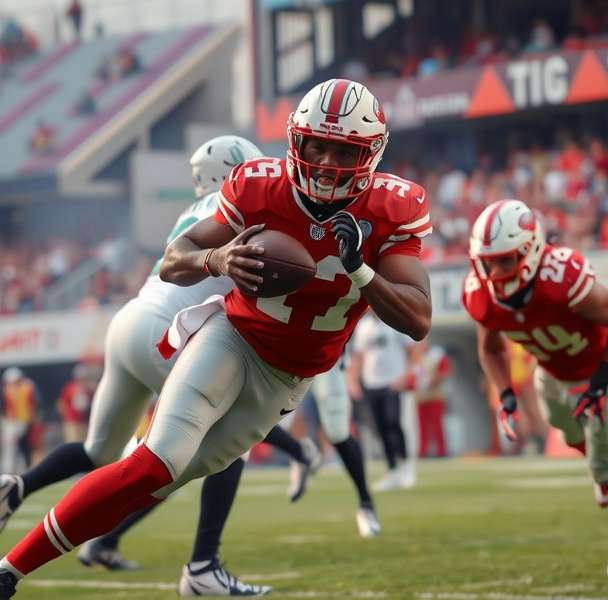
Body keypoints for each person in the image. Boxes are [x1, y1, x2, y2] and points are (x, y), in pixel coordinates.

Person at [0, 78, 432, 599]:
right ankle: (10, 571)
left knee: (168, 477)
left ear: (370, 154)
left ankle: (197, 569)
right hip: (231, 338)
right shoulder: (258, 184)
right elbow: (172, 260)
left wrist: (360, 270)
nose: (324, 161)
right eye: (315, 144)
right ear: (296, 141)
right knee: (151, 464)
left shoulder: (394, 207)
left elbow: (417, 320)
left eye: (342, 149)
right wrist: (217, 259)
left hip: (286, 381)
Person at [0, 135, 316, 596]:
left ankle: (18, 486)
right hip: (164, 331)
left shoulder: (194, 213)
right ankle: (204, 565)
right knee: (222, 437)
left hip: (129, 322)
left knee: (99, 454)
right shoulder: (240, 209)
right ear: (238, 169)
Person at [463, 199, 608, 577]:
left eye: (505, 260)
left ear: (530, 251)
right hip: (550, 371)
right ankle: (600, 464)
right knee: (568, 435)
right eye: (488, 262)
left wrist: (599, 385)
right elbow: (490, 348)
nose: (494, 272)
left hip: (600, 367)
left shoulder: (560, 277)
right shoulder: (481, 294)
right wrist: (507, 395)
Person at [286, 356, 381, 536]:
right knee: (266, 423)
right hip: (284, 352)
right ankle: (300, 453)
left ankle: (366, 504)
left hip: (327, 354)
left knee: (337, 433)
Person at [349, 311, 415, 490]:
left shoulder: (395, 320)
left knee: (393, 422)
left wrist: (405, 376)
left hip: (392, 382)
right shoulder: (363, 327)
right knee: (380, 429)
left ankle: (406, 466)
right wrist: (354, 381)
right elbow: (359, 356)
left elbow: (412, 351)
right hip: (371, 383)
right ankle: (392, 469)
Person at [409, 338, 451, 458]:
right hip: (421, 397)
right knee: (422, 427)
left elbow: (444, 371)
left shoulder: (436, 355)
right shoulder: (415, 357)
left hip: (434, 396)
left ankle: (441, 451)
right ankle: (423, 450)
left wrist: (432, 381)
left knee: (437, 425)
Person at [0, 369, 38, 474]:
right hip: (11, 422)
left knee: (21, 445)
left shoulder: (26, 388)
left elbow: (30, 405)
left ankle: (22, 467)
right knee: (11, 446)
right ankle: (9, 469)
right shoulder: (9, 389)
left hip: (21, 422)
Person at [57, 363, 96, 443]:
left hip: (84, 422)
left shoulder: (88, 388)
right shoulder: (70, 387)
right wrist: (67, 418)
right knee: (72, 443)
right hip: (72, 423)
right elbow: (61, 404)